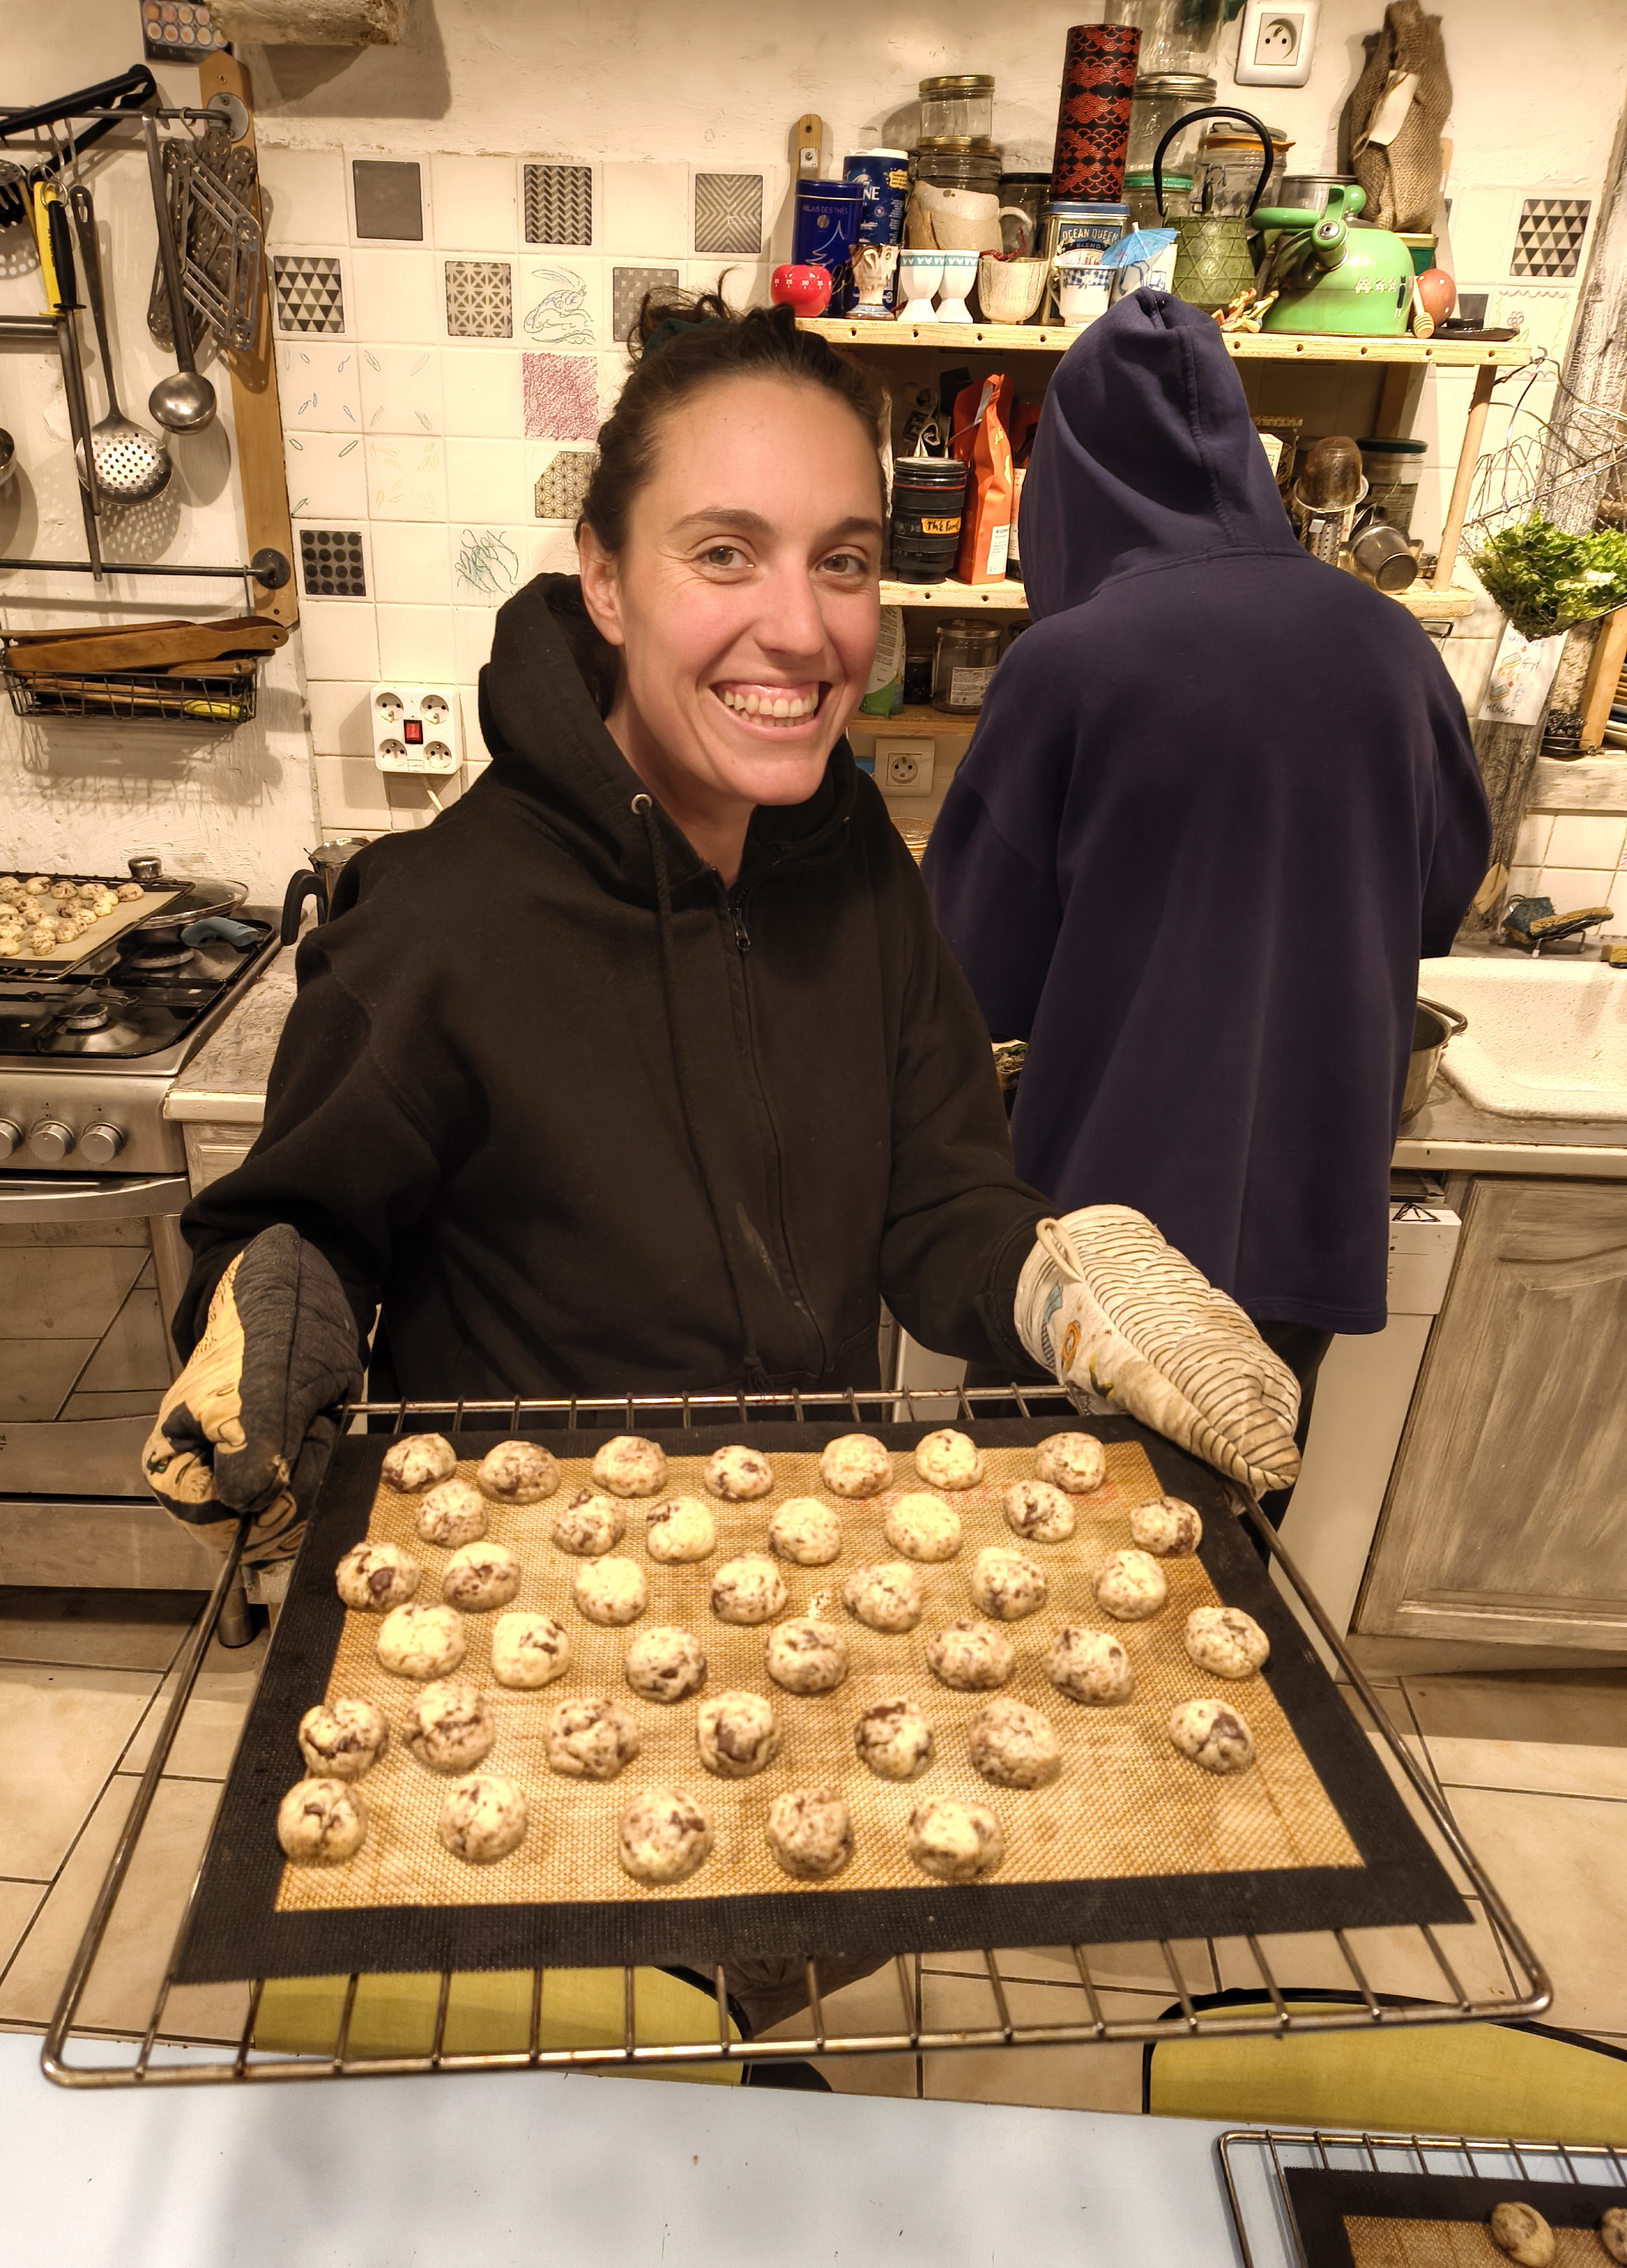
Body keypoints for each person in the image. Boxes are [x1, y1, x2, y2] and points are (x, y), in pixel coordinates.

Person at [144, 293, 1301, 1567]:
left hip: (802, 1543)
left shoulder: (860, 866)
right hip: (531, 1579)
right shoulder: (437, 919)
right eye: (725, 553)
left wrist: (1065, 1286)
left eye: (844, 560)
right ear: (605, 579)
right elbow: (301, 1231)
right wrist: (280, 1306)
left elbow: (938, 1193)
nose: (803, 631)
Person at [922, 289, 1490, 1498]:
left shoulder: (1071, 665)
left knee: (1051, 1575)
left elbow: (966, 977)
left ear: (1067, 480)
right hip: (1309, 1210)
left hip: (1109, 1257)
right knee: (1223, 1569)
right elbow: (1437, 902)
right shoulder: (1392, 649)